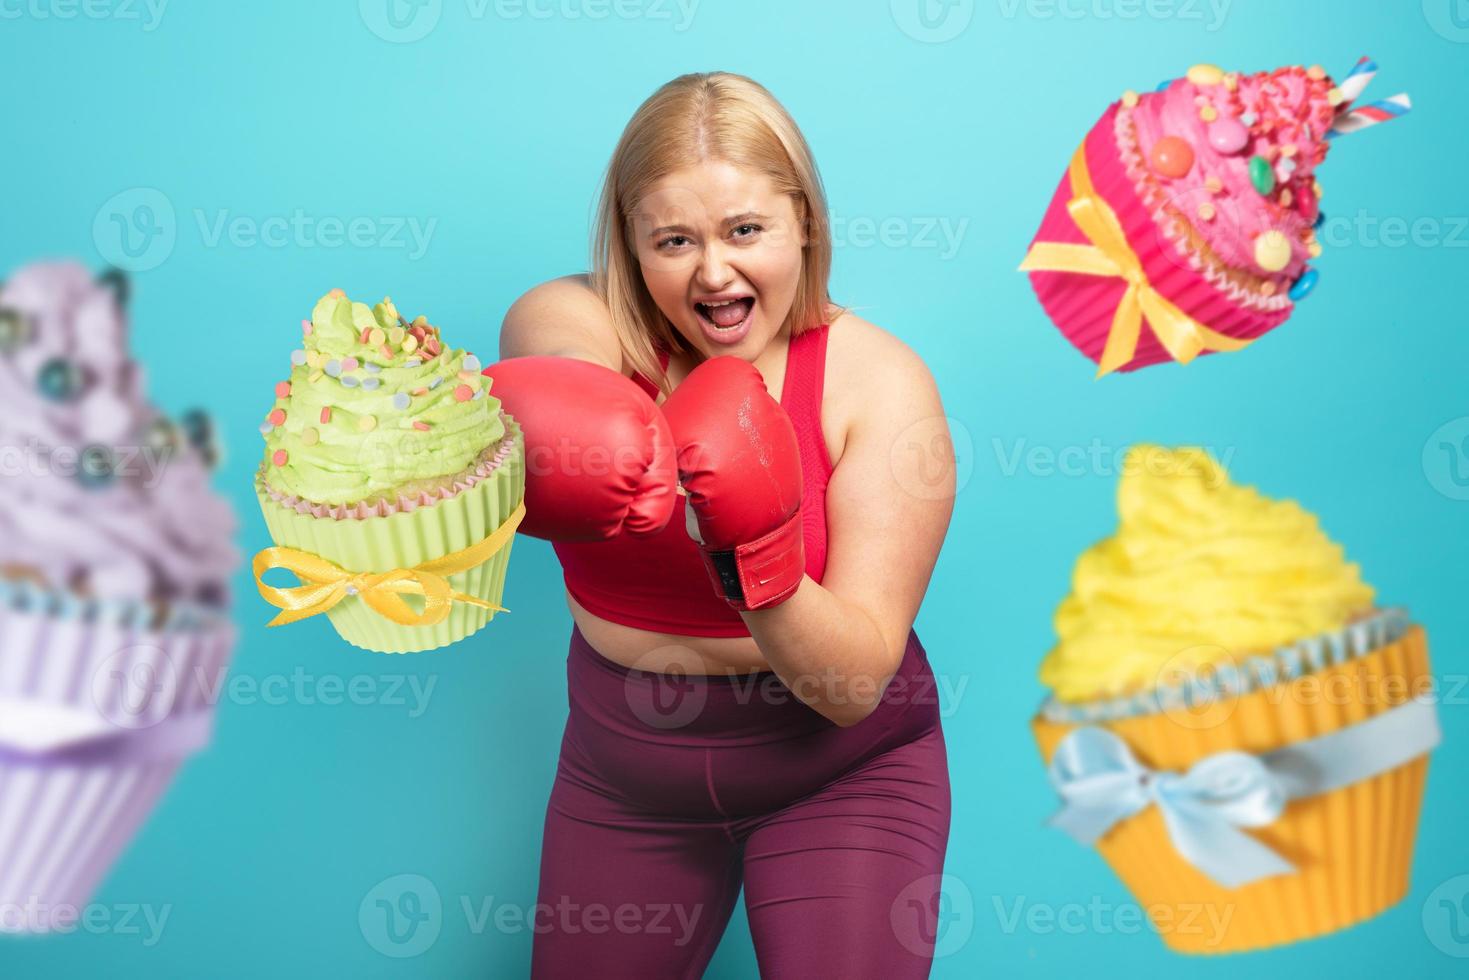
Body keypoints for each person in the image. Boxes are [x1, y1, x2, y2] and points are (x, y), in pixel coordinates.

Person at [487, 71, 957, 979]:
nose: (712, 272)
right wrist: (579, 419)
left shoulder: (879, 384)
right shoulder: (580, 323)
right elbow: (552, 351)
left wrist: (752, 544)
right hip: (624, 780)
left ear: (804, 224)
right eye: (674, 239)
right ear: (629, 244)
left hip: (840, 774)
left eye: (745, 230)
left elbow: (851, 682)